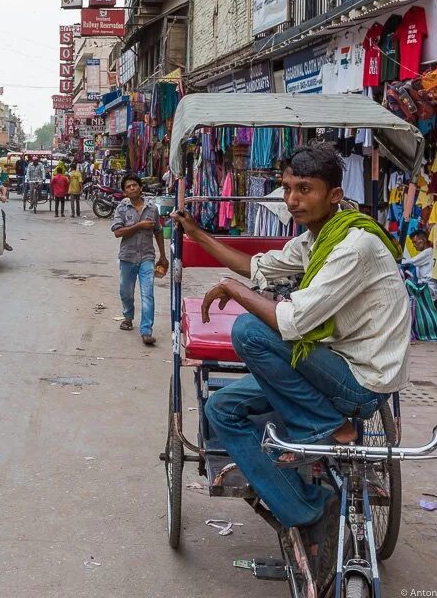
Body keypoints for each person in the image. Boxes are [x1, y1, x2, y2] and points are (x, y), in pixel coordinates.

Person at [170, 142, 409, 587]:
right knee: (221, 410)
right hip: (335, 364)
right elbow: (262, 268)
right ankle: (304, 508)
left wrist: (233, 291)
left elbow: (292, 321)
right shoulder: (319, 238)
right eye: (287, 188)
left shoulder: (352, 246)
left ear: (335, 195)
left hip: (359, 380)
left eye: (305, 189)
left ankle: (326, 426)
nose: (293, 199)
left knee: (250, 332)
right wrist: (198, 235)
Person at [111, 173, 168, 345]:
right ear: (125, 192)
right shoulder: (122, 209)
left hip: (147, 257)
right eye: (128, 187)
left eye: (134, 185)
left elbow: (158, 231)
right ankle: (128, 316)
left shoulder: (152, 209)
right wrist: (139, 226)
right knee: (126, 292)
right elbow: (117, 232)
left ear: (140, 187)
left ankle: (146, 330)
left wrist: (163, 256)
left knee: (147, 294)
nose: (132, 188)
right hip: (127, 257)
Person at [403, 228, 437, 319]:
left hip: (431, 288)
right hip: (428, 286)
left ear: (423, 241)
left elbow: (410, 261)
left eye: (415, 242)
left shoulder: (428, 252)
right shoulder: (427, 253)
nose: (413, 245)